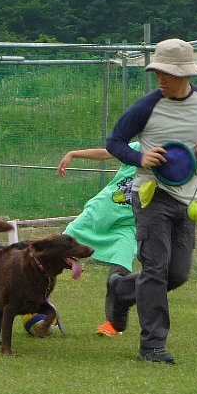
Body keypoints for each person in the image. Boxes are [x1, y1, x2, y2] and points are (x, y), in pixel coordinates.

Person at [104, 38, 197, 364]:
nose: (161, 78)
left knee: (178, 274)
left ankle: (122, 290)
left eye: (167, 73)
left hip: (189, 200)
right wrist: (140, 158)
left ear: (185, 74)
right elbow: (115, 142)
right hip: (151, 196)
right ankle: (153, 346)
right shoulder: (146, 106)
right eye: (157, 72)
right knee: (156, 269)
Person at [56, 143, 139, 337]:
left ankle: (114, 324)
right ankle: (35, 303)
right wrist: (73, 153)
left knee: (120, 272)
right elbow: (106, 153)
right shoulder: (137, 148)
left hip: (126, 226)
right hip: (98, 215)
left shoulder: (170, 162)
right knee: (55, 251)